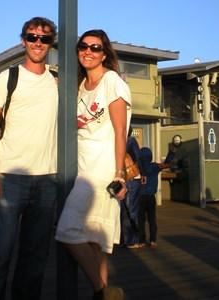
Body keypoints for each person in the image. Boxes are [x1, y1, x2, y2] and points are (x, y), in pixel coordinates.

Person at [0, 16, 58, 300]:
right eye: (32, 37)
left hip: (48, 179)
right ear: (23, 40)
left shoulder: (58, 81)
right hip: (10, 177)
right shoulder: (8, 77)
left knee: (35, 260)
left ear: (51, 43)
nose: (38, 43)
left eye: (45, 38)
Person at [55, 29, 131, 300]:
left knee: (66, 231)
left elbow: (120, 131)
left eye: (95, 47)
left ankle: (102, 290)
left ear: (104, 53)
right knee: (93, 239)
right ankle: (103, 294)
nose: (88, 51)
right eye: (83, 46)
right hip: (82, 167)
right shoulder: (77, 87)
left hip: (101, 171)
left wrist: (119, 173)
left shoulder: (111, 81)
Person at [136, 147, 172, 248]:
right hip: (151, 196)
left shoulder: (138, 167)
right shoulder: (155, 166)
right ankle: (152, 240)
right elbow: (167, 164)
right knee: (152, 219)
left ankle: (141, 241)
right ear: (150, 156)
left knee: (141, 219)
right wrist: (171, 153)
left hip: (141, 197)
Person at [124, 128, 142, 248]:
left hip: (121, 178)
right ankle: (133, 240)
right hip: (131, 177)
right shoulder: (130, 141)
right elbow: (137, 157)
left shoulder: (115, 140)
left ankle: (123, 239)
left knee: (123, 210)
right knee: (132, 209)